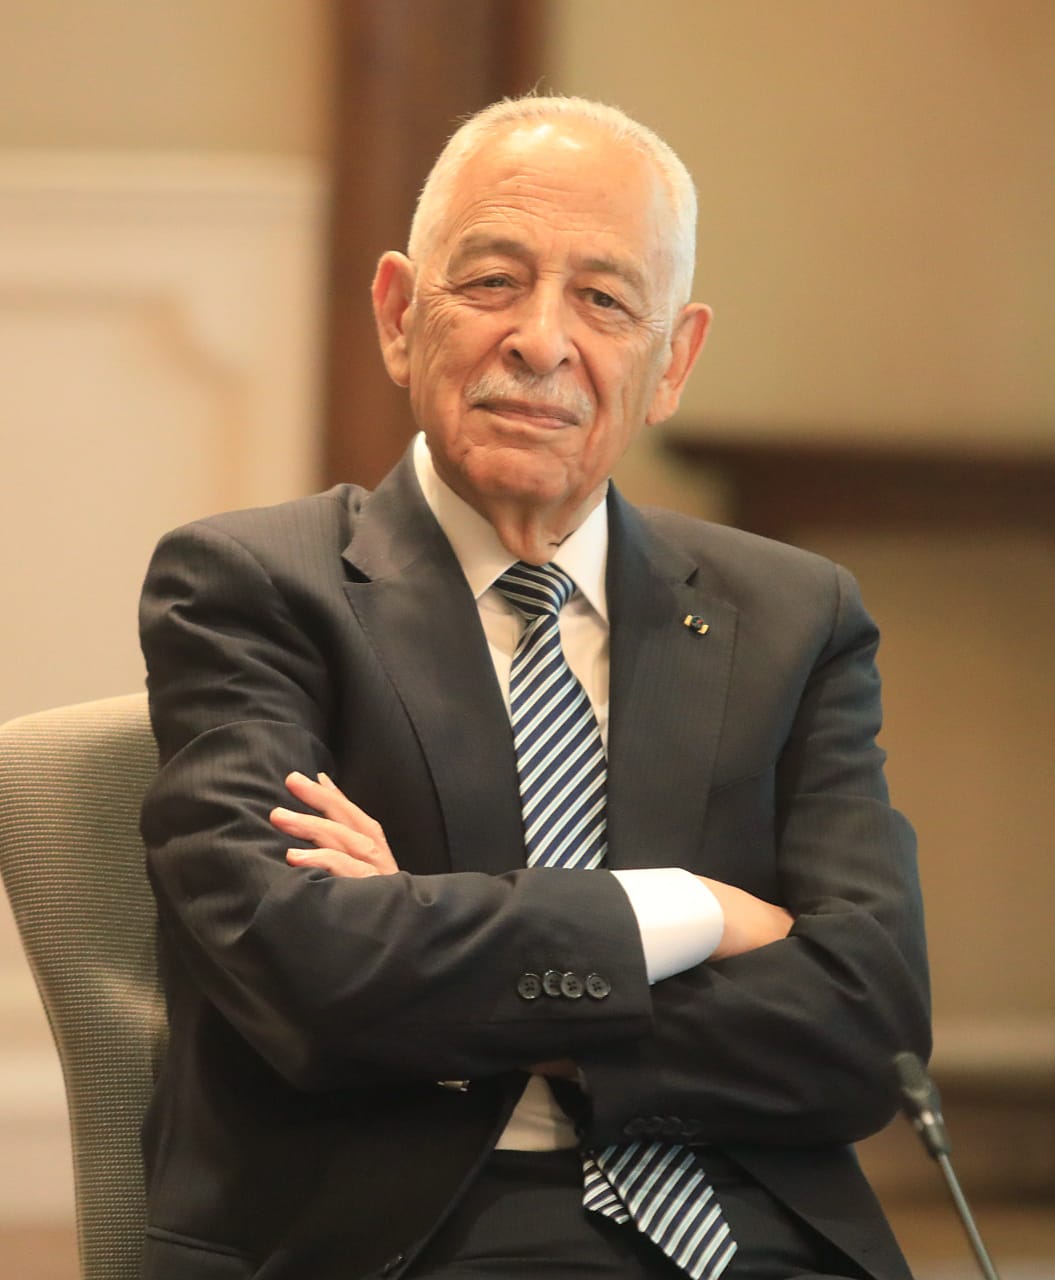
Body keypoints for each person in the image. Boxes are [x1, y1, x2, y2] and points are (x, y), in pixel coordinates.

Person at [138, 95, 930, 1280]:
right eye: (493, 282)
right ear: (400, 313)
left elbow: (869, 1027)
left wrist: (435, 942)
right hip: (415, 1232)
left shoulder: (791, 613)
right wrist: (691, 913)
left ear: (672, 361)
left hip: (749, 1219)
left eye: (603, 300)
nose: (541, 340)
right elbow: (307, 971)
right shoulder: (253, 585)